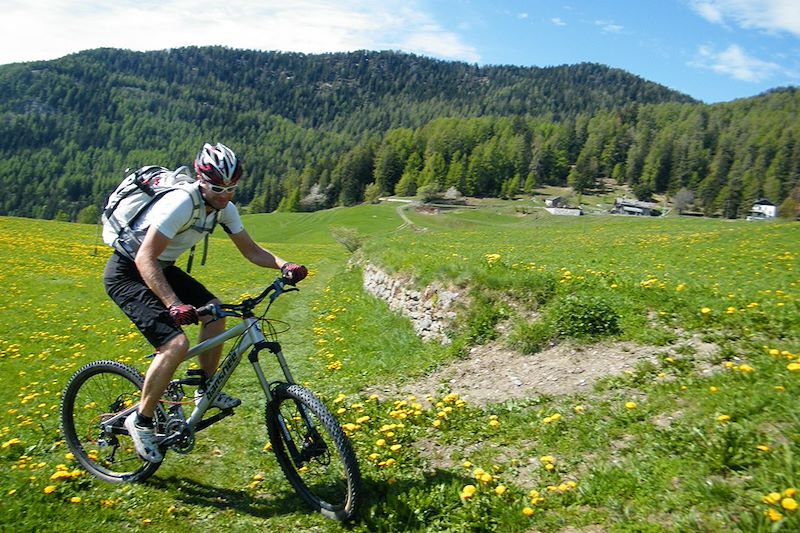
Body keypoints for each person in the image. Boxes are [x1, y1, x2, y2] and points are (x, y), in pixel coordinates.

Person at [104, 142, 307, 463]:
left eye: (231, 187)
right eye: (217, 187)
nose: (225, 194)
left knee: (216, 312)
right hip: (129, 271)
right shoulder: (181, 204)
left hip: (163, 268)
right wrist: (172, 304)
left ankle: (205, 390)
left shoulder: (224, 207)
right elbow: (145, 257)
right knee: (174, 345)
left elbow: (252, 251)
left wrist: (284, 265)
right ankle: (140, 421)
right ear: (201, 180)